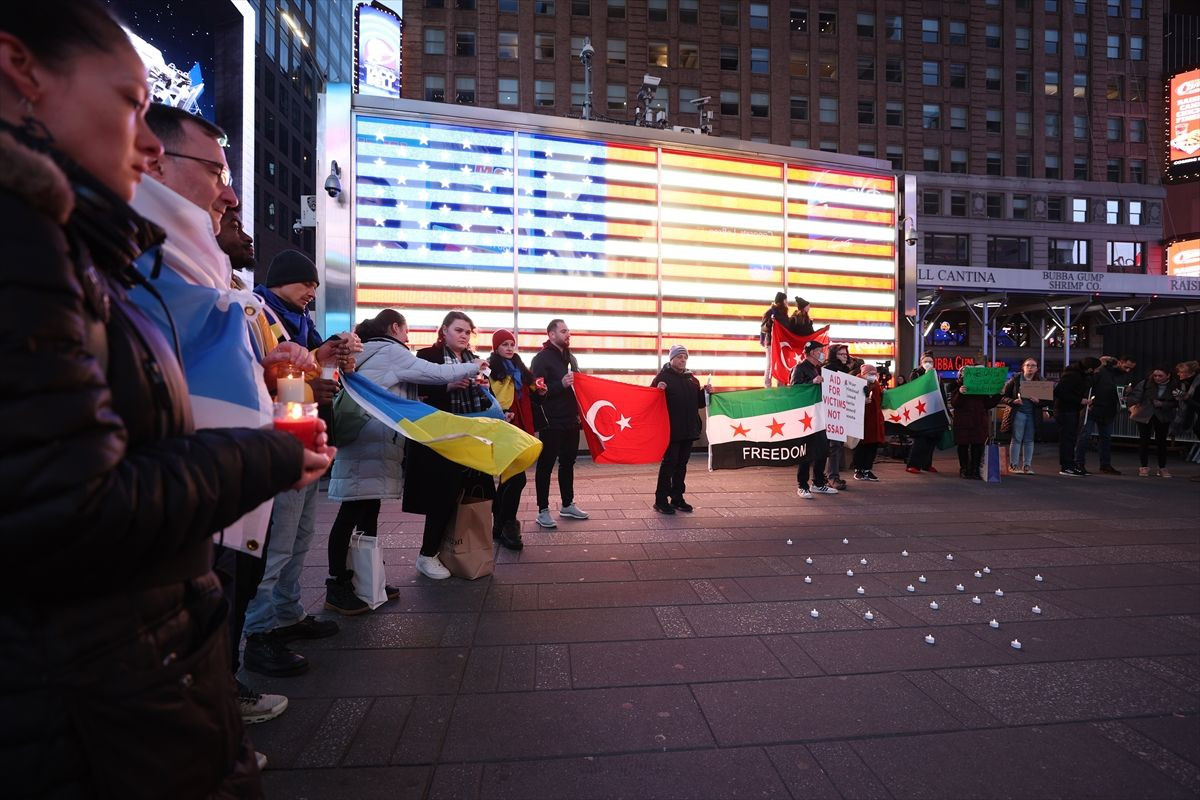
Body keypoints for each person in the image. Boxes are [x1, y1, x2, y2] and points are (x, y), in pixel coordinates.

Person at [0, 3, 333, 794]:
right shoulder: (29, 245)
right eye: (130, 105)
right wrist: (266, 455)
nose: (145, 145)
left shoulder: (79, 248)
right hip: (84, 703)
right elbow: (69, 510)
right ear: (19, 70)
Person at [242, 250, 360, 677]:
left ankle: (287, 615)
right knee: (277, 542)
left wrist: (329, 359)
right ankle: (258, 634)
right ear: (280, 282)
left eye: (314, 284)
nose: (312, 291)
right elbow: (267, 380)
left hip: (304, 440)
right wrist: (316, 374)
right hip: (280, 447)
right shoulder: (257, 316)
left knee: (299, 536)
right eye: (306, 283)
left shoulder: (297, 322)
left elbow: (299, 374)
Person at [325, 310, 483, 609]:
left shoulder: (366, 352)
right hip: (370, 441)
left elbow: (395, 393)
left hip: (364, 441)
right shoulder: (390, 351)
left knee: (365, 510)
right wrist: (473, 367)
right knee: (352, 513)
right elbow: (435, 373)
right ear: (395, 327)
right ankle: (337, 583)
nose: (408, 337)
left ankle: (366, 578)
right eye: (406, 330)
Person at [402, 311, 497, 579]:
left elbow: (487, 396)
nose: (464, 336)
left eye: (468, 331)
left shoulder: (474, 361)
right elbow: (415, 394)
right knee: (441, 497)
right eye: (458, 330)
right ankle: (427, 554)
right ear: (444, 331)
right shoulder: (427, 357)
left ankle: (459, 550)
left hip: (470, 437)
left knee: (471, 495)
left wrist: (483, 388)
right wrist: (448, 386)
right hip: (439, 439)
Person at [530, 319, 590, 528]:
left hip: (571, 420)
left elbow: (578, 384)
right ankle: (543, 510)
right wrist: (560, 385)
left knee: (568, 463)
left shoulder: (571, 358)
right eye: (563, 331)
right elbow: (537, 391)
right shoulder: (541, 359)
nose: (568, 334)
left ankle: (567, 504)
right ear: (551, 335)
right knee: (546, 465)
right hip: (552, 421)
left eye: (569, 331)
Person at [489, 328, 544, 550]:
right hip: (504, 427)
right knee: (516, 479)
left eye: (512, 344)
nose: (509, 348)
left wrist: (540, 390)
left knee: (508, 479)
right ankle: (508, 526)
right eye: (504, 345)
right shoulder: (492, 369)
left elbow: (534, 395)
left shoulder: (521, 369)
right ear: (496, 348)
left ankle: (499, 524)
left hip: (523, 428)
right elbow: (489, 398)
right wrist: (500, 411)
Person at [652, 345, 709, 513]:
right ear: (671, 359)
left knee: (682, 465)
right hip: (671, 430)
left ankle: (677, 498)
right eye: (679, 357)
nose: (683, 360)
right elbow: (651, 400)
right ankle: (660, 500)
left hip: (689, 429)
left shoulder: (692, 379)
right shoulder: (662, 377)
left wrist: (706, 393)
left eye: (685, 357)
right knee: (669, 464)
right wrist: (657, 390)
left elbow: (699, 403)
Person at [792, 340, 838, 498]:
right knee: (806, 451)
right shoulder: (800, 368)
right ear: (812, 352)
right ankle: (802, 485)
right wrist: (811, 382)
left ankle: (818, 482)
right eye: (820, 350)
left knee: (822, 449)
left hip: (820, 414)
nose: (822, 353)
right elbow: (794, 390)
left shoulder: (818, 368)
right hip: (807, 417)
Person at [1126, 366, 1179, 478]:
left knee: (1162, 442)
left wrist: (1163, 404)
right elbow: (1135, 397)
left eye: (1160, 376)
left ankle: (1162, 467)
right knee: (1144, 440)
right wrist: (1129, 399)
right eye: (1155, 375)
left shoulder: (1174, 385)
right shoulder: (1146, 383)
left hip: (1163, 415)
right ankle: (1144, 466)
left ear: (1168, 375)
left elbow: (1177, 402)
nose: (1157, 378)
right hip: (1145, 414)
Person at [1000, 358, 1049, 474]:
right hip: (1019, 412)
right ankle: (1014, 465)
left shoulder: (1041, 381)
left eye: (1033, 366)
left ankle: (1027, 465)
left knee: (1029, 440)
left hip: (1032, 414)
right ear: (1023, 367)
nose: (1030, 368)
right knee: (1017, 439)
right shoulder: (1015, 379)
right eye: (1028, 365)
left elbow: (1047, 401)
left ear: (1037, 368)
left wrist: (1039, 401)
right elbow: (1003, 396)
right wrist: (1013, 402)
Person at [1073, 355, 1120, 475]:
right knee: (1088, 436)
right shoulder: (1103, 373)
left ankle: (1095, 463)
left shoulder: (1109, 374)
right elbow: (1088, 385)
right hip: (1095, 407)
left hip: (1103, 408)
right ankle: (1081, 462)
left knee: (1101, 438)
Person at [951, 368, 1001, 479]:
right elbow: (955, 403)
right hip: (963, 422)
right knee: (963, 445)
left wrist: (999, 395)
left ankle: (975, 469)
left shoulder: (981, 388)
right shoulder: (957, 386)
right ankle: (964, 469)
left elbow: (988, 403)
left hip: (978, 421)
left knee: (977, 445)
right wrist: (960, 393)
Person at [1054, 358, 1095, 476]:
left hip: (1070, 409)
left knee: (1070, 439)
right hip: (1066, 411)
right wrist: (1080, 400)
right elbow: (1059, 392)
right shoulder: (1073, 375)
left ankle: (1070, 465)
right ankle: (1067, 466)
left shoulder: (1076, 374)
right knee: (1067, 439)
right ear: (1090, 368)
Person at [822, 343, 854, 490]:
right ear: (834, 355)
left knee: (837, 445)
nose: (845, 356)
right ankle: (832, 477)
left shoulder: (845, 370)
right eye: (841, 354)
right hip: (830, 412)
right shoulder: (828, 369)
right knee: (834, 445)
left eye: (846, 354)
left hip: (840, 412)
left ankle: (829, 475)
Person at [905, 353, 942, 474]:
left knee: (931, 439)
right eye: (926, 361)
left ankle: (927, 464)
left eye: (930, 361)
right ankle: (913, 464)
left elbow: (941, 393)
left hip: (934, 410)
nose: (928, 363)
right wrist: (926, 377)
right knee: (920, 439)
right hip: (920, 410)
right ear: (921, 362)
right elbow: (914, 390)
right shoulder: (916, 374)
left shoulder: (936, 375)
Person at [852, 363, 885, 481]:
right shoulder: (856, 383)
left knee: (872, 446)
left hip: (874, 420)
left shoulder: (876, 385)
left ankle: (867, 469)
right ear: (863, 374)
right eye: (870, 374)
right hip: (863, 420)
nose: (873, 376)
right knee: (861, 446)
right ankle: (858, 469)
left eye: (874, 374)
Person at [759, 291, 789, 387]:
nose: (787, 302)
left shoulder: (784, 314)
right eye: (785, 300)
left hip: (781, 343)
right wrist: (770, 322)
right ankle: (767, 386)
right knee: (770, 365)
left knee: (781, 365)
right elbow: (763, 328)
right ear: (782, 301)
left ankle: (781, 386)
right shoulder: (770, 312)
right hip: (771, 343)